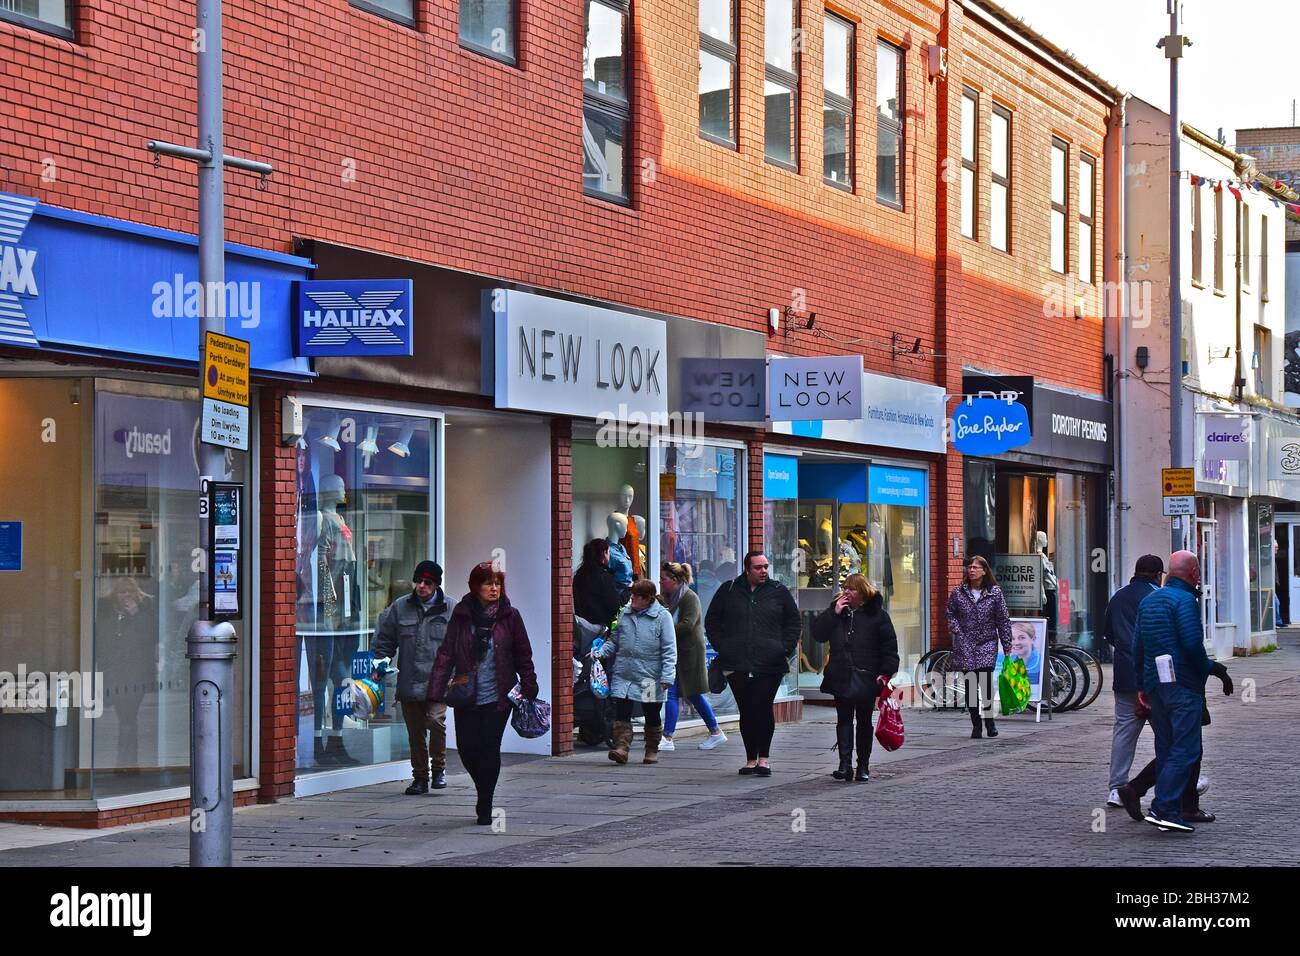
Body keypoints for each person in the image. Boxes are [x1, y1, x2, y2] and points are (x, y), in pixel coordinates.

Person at [426, 562, 539, 825]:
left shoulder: (511, 616)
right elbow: (446, 653)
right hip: (466, 694)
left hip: (499, 695)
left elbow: (523, 653)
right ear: (475, 587)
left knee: (489, 748)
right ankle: (483, 788)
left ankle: (485, 801)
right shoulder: (462, 615)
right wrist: (436, 690)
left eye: (498, 583)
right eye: (488, 583)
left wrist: (529, 684)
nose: (494, 588)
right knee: (467, 749)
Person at [1131, 550, 1231, 833]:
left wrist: (1141, 684)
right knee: (1186, 749)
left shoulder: (1149, 600)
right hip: (1182, 685)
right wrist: (1213, 669)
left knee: (1166, 748)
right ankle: (1163, 808)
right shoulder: (1185, 600)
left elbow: (1138, 646)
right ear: (1194, 573)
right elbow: (1191, 645)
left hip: (1155, 685)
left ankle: (1169, 809)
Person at [704, 552, 801, 776]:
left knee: (763, 707)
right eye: (758, 567)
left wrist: (783, 647)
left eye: (766, 566)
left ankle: (764, 759)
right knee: (746, 709)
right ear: (747, 570)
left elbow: (793, 621)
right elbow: (712, 620)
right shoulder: (729, 590)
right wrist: (723, 645)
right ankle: (750, 759)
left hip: (770, 662)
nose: (764, 571)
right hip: (736, 661)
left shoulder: (778, 591)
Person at [373, 560, 451, 795]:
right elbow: (385, 640)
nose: (421, 586)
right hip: (409, 680)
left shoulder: (451, 609)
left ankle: (439, 769)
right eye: (418, 581)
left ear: (436, 584)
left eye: (427, 582)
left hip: (439, 682)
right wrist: (380, 664)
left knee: (436, 722)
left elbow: (462, 645)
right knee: (415, 733)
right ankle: (420, 778)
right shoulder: (400, 607)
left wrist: (458, 676)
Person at [812, 574, 899, 783]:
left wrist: (884, 674)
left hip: (866, 676)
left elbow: (889, 648)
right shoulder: (837, 612)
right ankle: (844, 765)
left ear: (862, 592)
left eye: (851, 589)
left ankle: (863, 765)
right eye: (845, 588)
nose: (847, 593)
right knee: (843, 719)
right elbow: (818, 634)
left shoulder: (878, 615)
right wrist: (833, 613)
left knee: (863, 721)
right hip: (841, 674)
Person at [1102, 554, 1164, 808]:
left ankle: (1116, 787)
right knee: (1168, 733)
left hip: (1125, 673)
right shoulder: (1157, 596)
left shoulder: (1118, 596)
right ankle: (1174, 783)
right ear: (1159, 574)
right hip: (1152, 675)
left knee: (1124, 731)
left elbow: (1108, 633)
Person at [595, 579, 676, 765]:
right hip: (625, 673)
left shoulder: (662, 617)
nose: (631, 598)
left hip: (650, 675)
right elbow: (615, 640)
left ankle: (651, 749)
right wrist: (600, 653)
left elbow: (669, 649)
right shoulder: (625, 613)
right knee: (622, 712)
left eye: (636, 596)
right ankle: (622, 748)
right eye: (632, 595)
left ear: (647, 598)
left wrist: (667, 675)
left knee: (651, 712)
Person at [658, 562, 727, 753]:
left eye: (663, 579)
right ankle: (713, 732)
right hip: (676, 653)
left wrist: (662, 632)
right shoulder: (668, 598)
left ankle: (669, 737)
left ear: (674, 580)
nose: (661, 582)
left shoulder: (689, 597)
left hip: (689, 653)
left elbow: (688, 625)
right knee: (680, 693)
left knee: (691, 693)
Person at [945, 555, 1012, 739]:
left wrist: (1007, 643)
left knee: (985, 683)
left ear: (984, 571)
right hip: (966, 642)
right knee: (970, 684)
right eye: (970, 567)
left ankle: (990, 722)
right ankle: (976, 724)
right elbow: (950, 613)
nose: (971, 570)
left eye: (975, 567)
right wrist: (956, 630)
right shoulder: (958, 592)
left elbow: (1002, 619)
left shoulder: (994, 593)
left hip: (987, 642)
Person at [573, 538, 623, 632]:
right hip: (602, 629)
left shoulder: (579, 575)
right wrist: (627, 593)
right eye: (608, 552)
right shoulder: (604, 576)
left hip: (583, 629)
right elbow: (615, 607)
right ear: (604, 553)